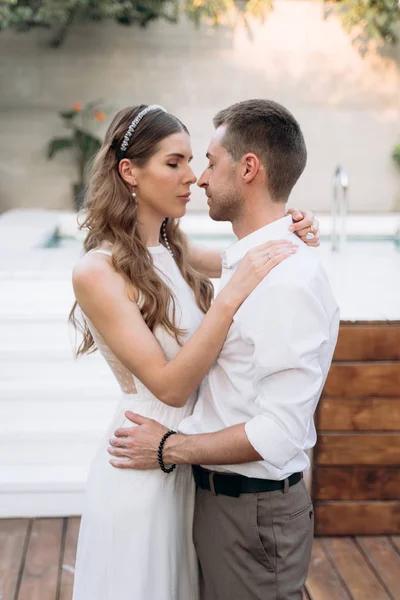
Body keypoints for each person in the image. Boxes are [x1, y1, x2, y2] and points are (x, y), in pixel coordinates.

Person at [70, 103, 320, 600]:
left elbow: (249, 253)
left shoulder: (174, 250)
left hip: (186, 462)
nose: (194, 177)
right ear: (129, 172)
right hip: (141, 460)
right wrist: (228, 297)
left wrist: (293, 225)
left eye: (194, 161)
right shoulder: (96, 271)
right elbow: (170, 384)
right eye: (174, 162)